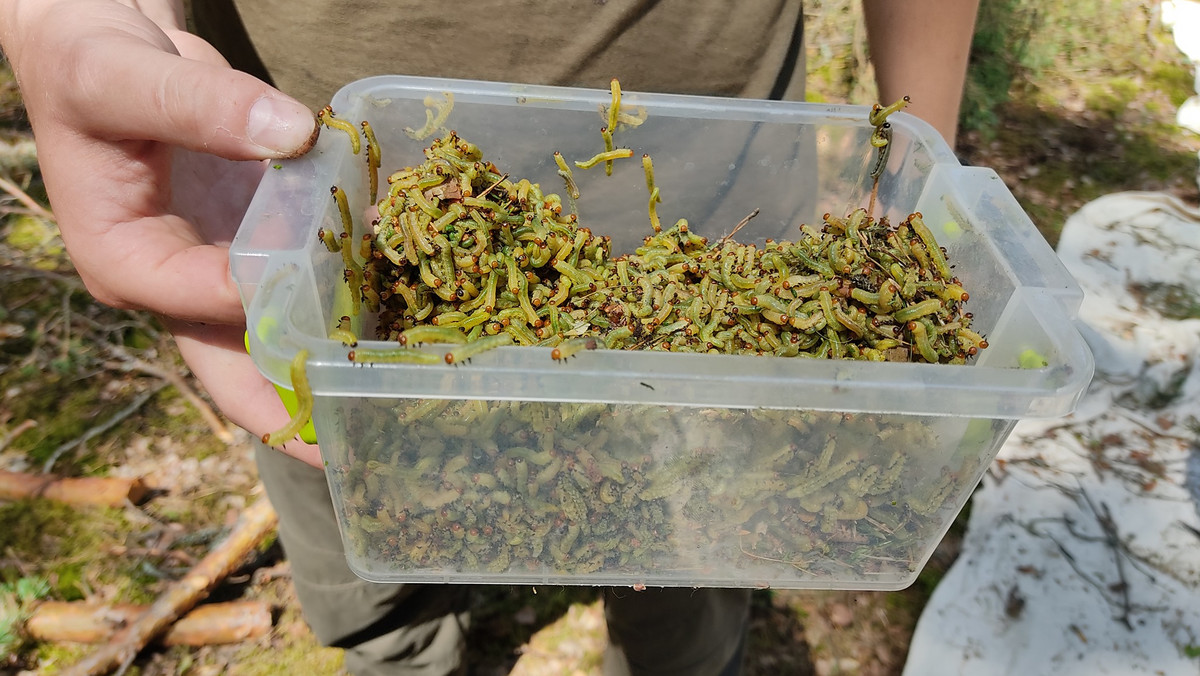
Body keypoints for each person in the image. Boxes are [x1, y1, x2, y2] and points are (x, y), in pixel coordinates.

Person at [0, 1, 979, 674]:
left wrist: (914, 176)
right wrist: (70, 17)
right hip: (331, 240)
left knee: (693, 573)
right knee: (380, 578)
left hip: (734, 207)